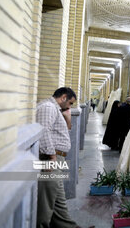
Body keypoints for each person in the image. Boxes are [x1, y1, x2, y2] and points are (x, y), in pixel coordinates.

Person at [36, 87, 78, 228]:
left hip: (57, 159)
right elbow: (43, 131)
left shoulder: (56, 109)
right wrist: (52, 157)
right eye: (70, 103)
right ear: (64, 97)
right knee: (46, 200)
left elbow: (60, 132)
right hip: (50, 159)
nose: (70, 106)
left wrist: (67, 117)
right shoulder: (48, 107)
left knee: (58, 199)